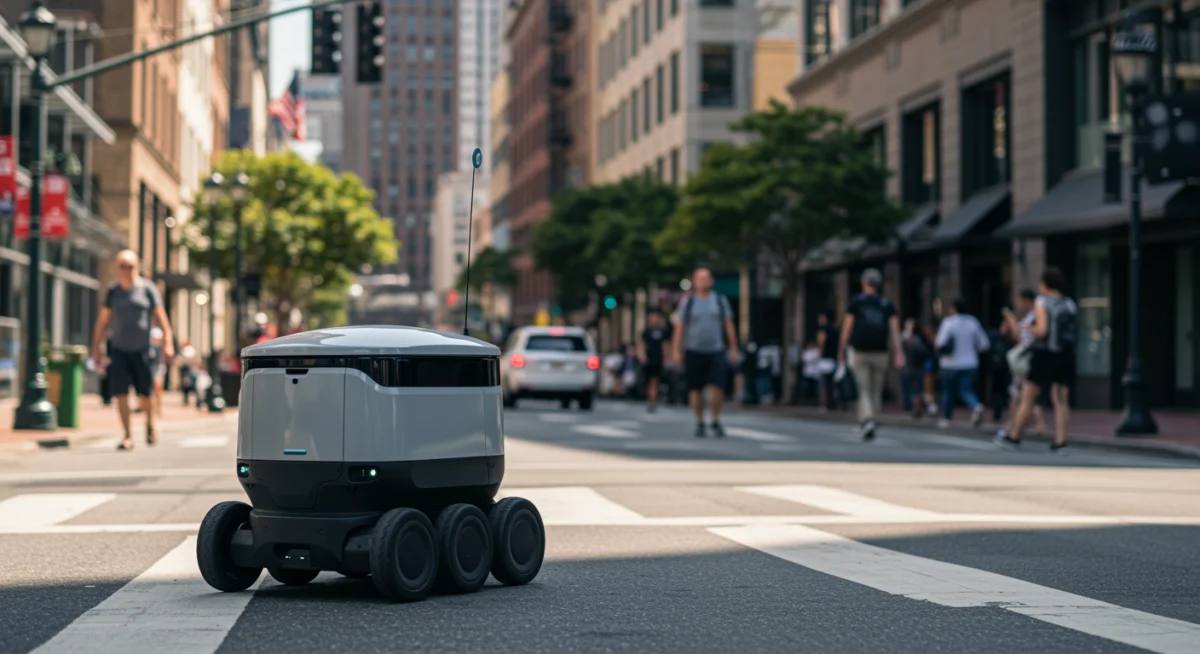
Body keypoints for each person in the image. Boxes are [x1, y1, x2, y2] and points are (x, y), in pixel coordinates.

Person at [90, 250, 175, 450]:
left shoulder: (147, 289)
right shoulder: (113, 291)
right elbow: (103, 321)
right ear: (117, 268)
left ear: (137, 267)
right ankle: (127, 435)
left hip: (143, 349)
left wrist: (168, 343)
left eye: (130, 266)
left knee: (145, 393)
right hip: (118, 349)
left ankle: (150, 423)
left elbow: (162, 318)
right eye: (122, 266)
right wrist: (96, 348)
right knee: (120, 393)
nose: (126, 270)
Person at [995, 268, 1077, 452]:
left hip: (1044, 354)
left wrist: (1029, 328)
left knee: (1028, 396)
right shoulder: (1069, 303)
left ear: (1046, 284)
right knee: (1061, 399)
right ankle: (1061, 441)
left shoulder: (1042, 302)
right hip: (1066, 354)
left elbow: (1042, 330)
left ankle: (1014, 436)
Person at [838, 268, 904, 441]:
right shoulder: (886, 304)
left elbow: (847, 328)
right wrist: (898, 352)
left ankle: (867, 419)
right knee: (876, 388)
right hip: (881, 351)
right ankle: (874, 418)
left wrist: (841, 349)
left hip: (860, 351)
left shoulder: (856, 303)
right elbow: (894, 331)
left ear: (864, 283)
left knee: (863, 388)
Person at [673, 267, 739, 437]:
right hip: (693, 350)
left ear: (711, 281)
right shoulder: (688, 302)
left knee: (718, 386)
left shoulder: (720, 301)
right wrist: (676, 351)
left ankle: (715, 419)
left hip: (716, 350)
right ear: (694, 281)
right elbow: (679, 327)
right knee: (696, 389)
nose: (703, 282)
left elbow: (728, 325)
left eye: (706, 278)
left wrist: (733, 348)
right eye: (699, 278)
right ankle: (700, 421)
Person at [934, 298, 990, 429]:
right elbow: (984, 344)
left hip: (949, 363)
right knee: (966, 390)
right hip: (970, 362)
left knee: (948, 392)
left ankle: (947, 418)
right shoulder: (973, 322)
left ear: (954, 308)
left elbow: (939, 343)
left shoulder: (948, 322)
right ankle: (976, 405)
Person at [999, 289, 1046, 437]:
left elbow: (1019, 336)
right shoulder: (1031, 316)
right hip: (1027, 358)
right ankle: (1017, 424)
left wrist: (1011, 320)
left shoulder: (1035, 316)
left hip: (1027, 358)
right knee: (1023, 394)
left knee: (1020, 394)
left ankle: (1014, 426)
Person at [637, 311, 670, 412]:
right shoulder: (646, 332)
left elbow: (665, 346)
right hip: (648, 360)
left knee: (655, 381)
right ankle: (650, 400)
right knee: (648, 382)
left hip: (658, 360)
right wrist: (642, 356)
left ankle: (653, 402)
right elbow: (641, 344)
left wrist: (666, 358)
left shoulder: (663, 332)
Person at [900, 319, 932, 419]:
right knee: (915, 389)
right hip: (917, 367)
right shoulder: (920, 339)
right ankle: (914, 408)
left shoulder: (911, 337)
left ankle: (911, 408)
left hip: (909, 366)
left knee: (910, 389)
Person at [815, 312, 839, 412]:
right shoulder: (835, 330)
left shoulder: (823, 329)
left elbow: (821, 341)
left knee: (823, 382)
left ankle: (824, 403)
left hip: (825, 359)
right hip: (833, 358)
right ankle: (833, 402)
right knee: (832, 382)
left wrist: (819, 353)